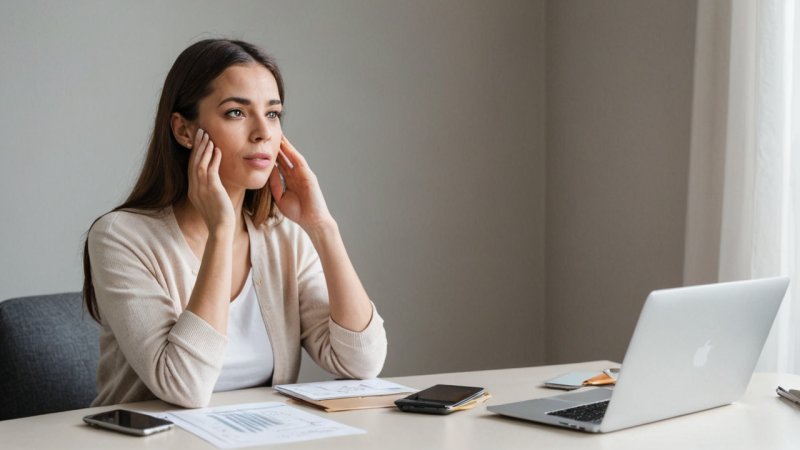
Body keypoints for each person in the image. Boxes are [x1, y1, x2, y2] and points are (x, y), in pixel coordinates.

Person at [82, 39, 387, 408]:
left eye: (273, 114)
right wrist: (222, 230)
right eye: (236, 113)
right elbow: (184, 386)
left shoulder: (283, 238)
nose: (262, 132)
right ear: (183, 130)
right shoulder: (120, 238)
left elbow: (362, 361)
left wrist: (322, 227)